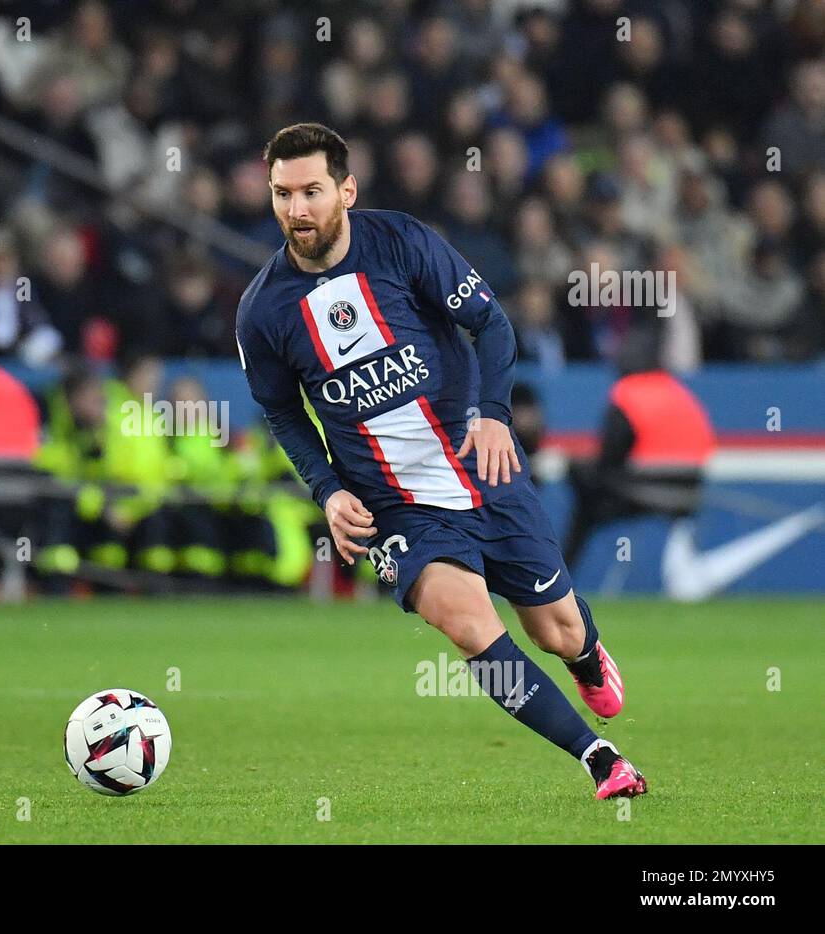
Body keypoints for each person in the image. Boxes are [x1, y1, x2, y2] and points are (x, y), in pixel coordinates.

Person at [235, 123, 645, 801]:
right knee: (469, 626)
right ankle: (600, 760)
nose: (296, 209)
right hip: (395, 505)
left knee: (556, 628)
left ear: (346, 189)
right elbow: (282, 412)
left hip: (479, 467)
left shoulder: (401, 242)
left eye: (310, 191)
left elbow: (492, 323)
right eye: (282, 194)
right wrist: (329, 491)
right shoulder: (263, 310)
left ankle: (585, 656)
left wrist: (492, 414)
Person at [563, 329, 714, 573]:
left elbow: (610, 457)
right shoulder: (678, 391)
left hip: (644, 489)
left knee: (581, 481)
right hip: (692, 490)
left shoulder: (628, 393)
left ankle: (562, 572)